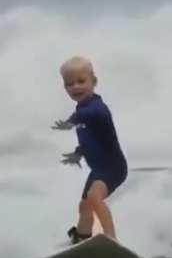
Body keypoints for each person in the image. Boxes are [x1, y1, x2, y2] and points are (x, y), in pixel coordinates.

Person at [52, 56, 127, 242]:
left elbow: (92, 114)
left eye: (81, 81)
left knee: (94, 197)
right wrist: (78, 153)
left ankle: (111, 238)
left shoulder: (97, 108)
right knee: (84, 205)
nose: (75, 86)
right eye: (69, 84)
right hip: (98, 169)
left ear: (94, 82)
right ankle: (82, 237)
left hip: (113, 167)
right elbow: (89, 141)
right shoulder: (81, 110)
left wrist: (71, 121)